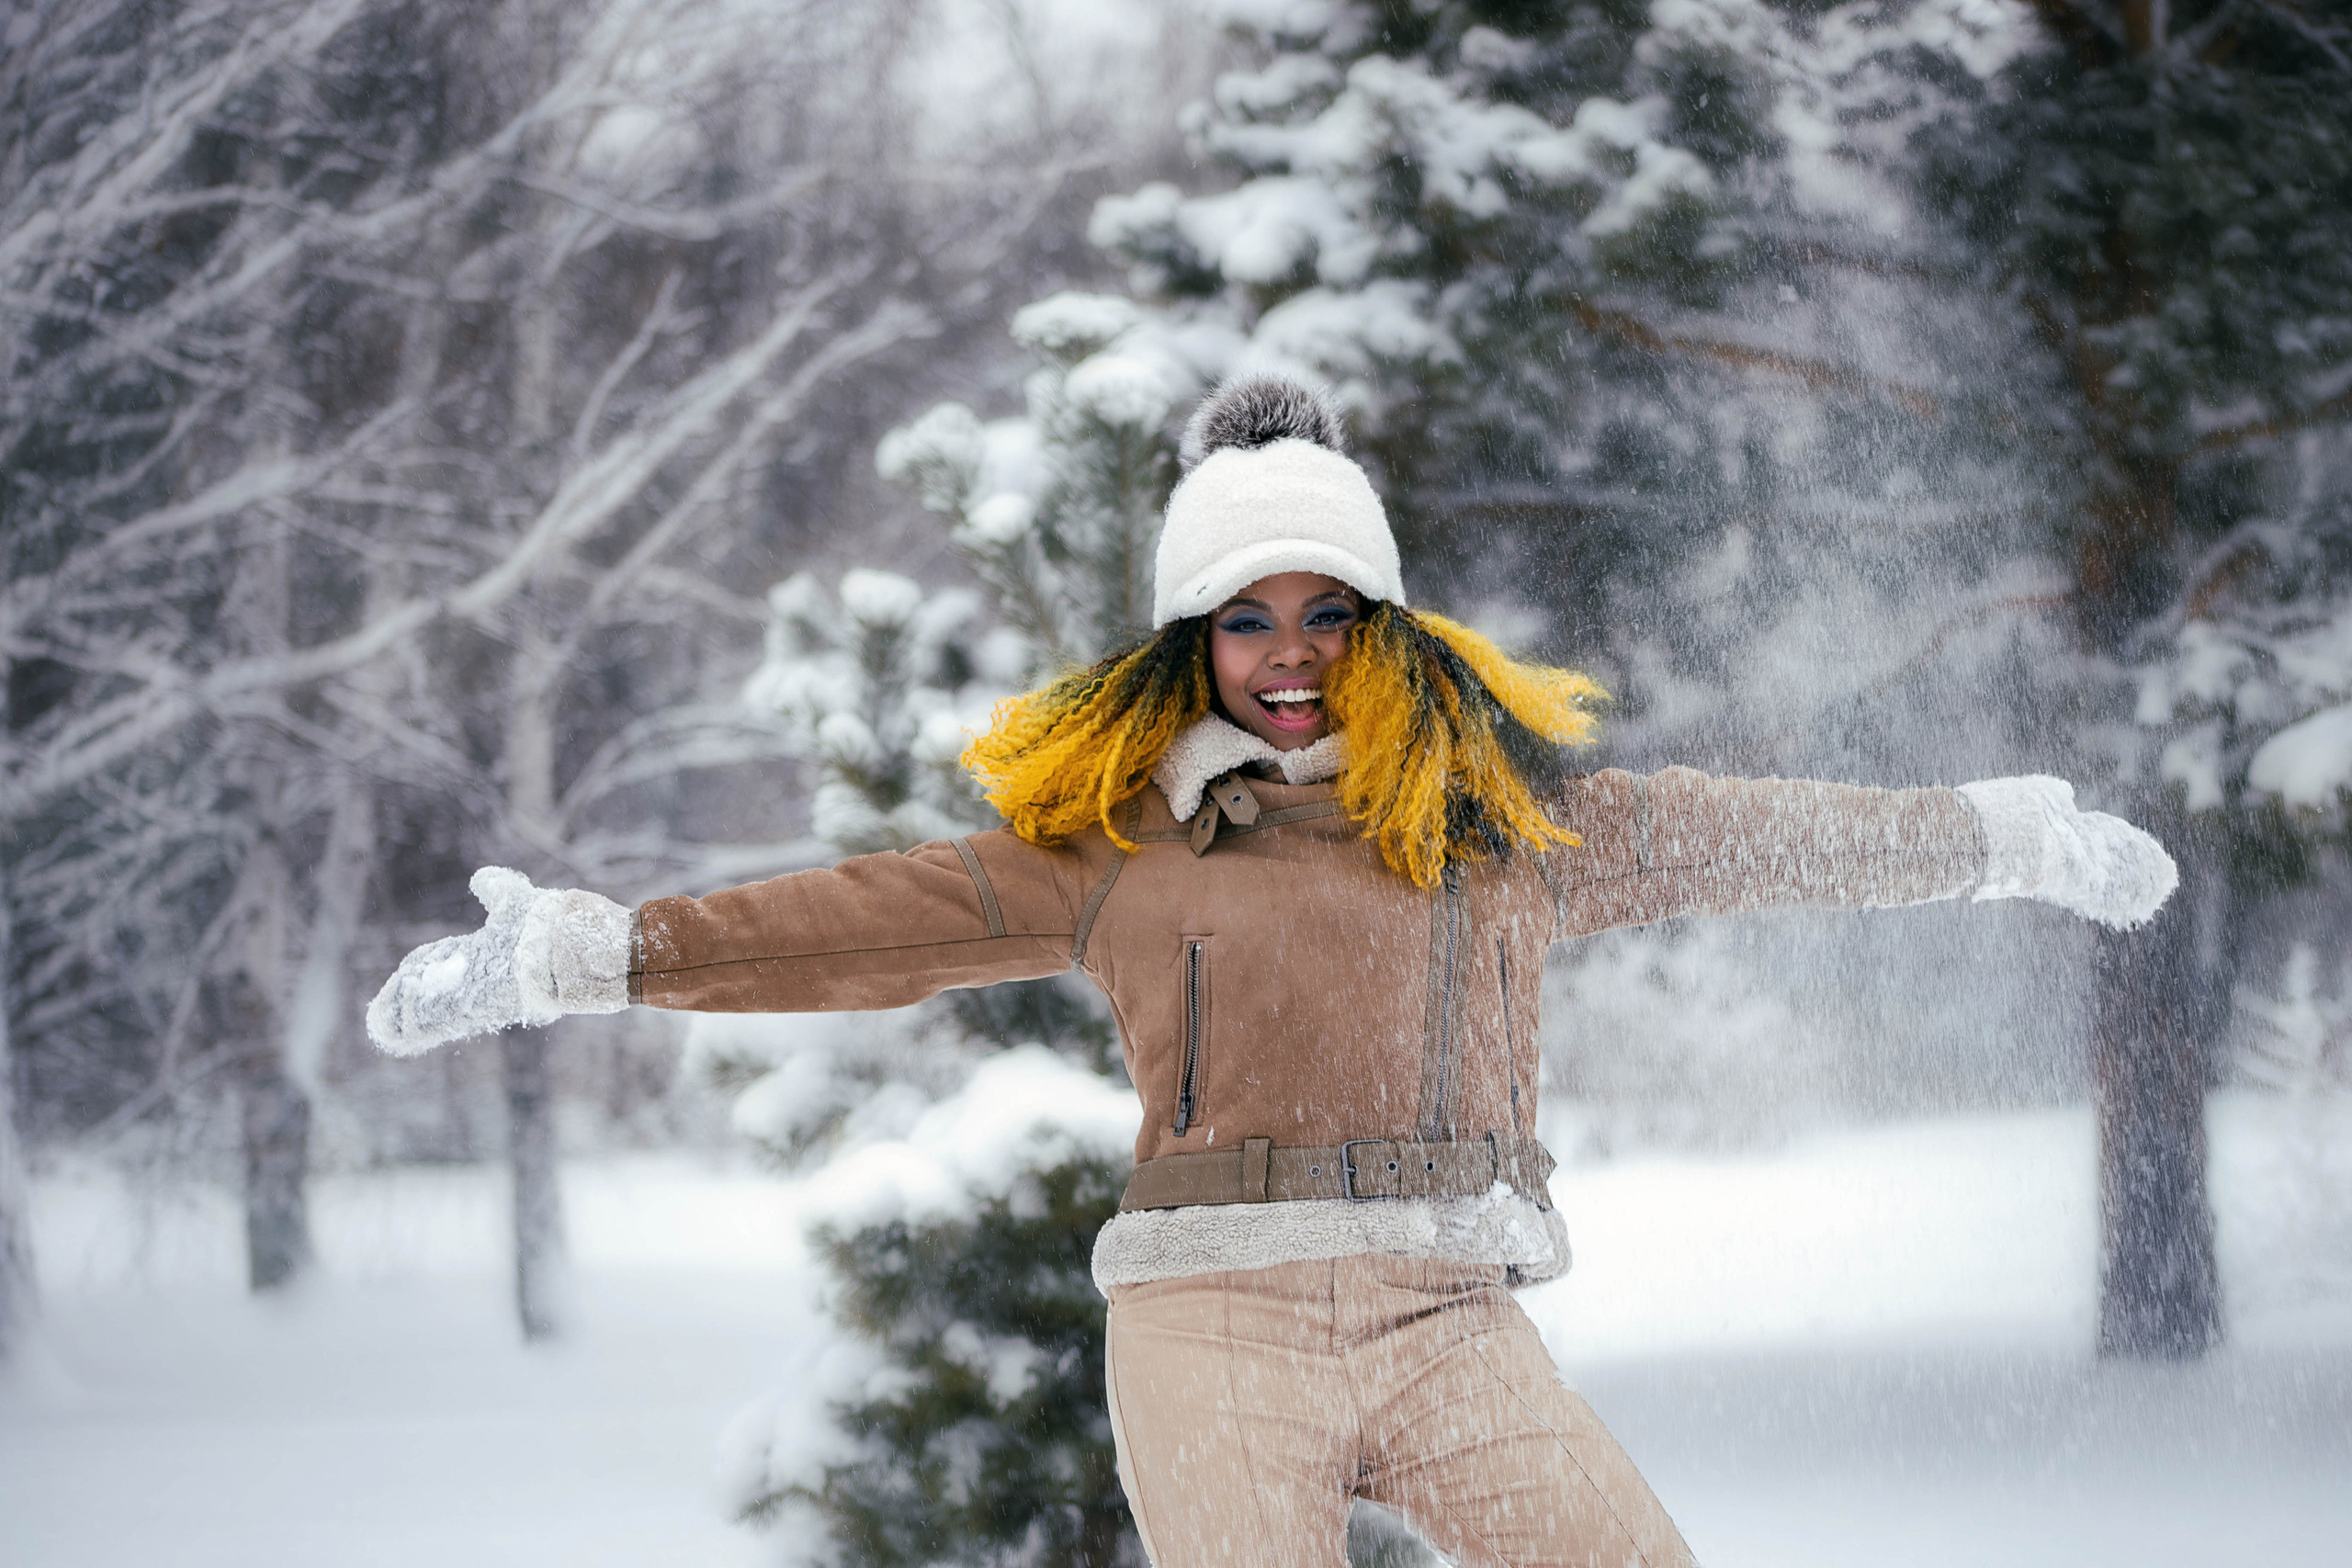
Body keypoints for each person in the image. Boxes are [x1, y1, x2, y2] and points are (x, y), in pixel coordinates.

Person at [368, 375, 2177, 1568]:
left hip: (1447, 1316)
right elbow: (867, 919)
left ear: (1384, 626)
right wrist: (590, 952)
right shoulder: (1117, 846)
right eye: (1246, 617)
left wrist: (1991, 835)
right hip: (1210, 1321)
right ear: (1193, 639)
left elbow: (1746, 835)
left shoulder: (1499, 826)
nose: (1288, 654)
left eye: (1325, 612)